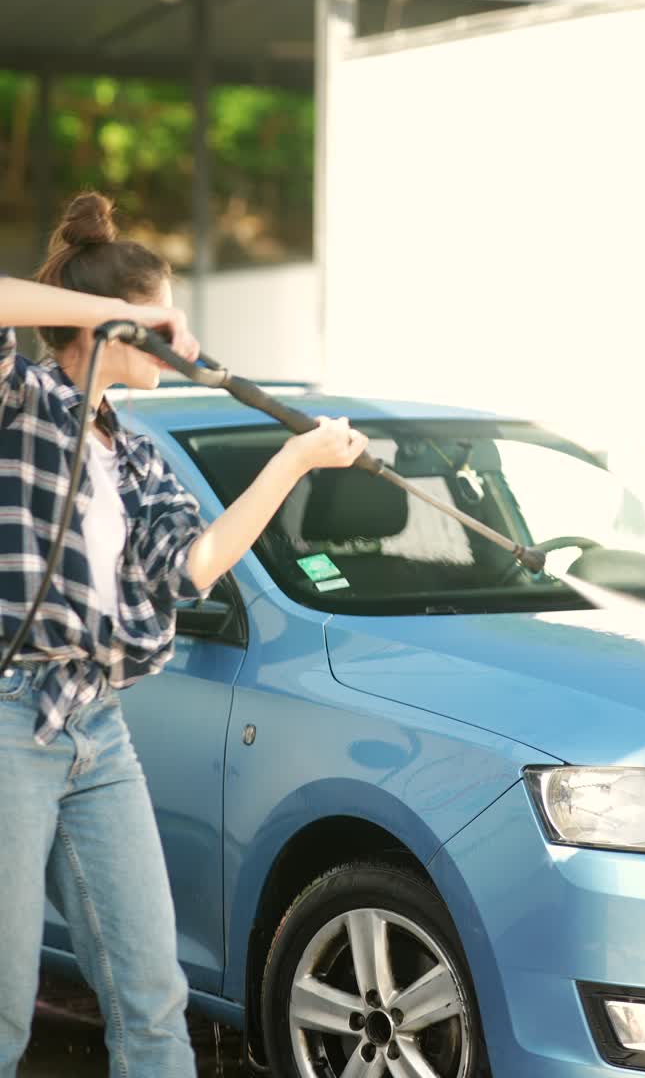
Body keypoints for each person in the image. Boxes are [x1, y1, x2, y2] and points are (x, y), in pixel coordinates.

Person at [0, 191, 368, 1078]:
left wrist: (294, 460)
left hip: (99, 727)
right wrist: (121, 312)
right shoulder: (21, 407)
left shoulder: (135, 453)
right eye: (170, 317)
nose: (185, 336)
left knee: (152, 996)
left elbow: (193, 567)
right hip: (11, 719)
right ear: (122, 328)